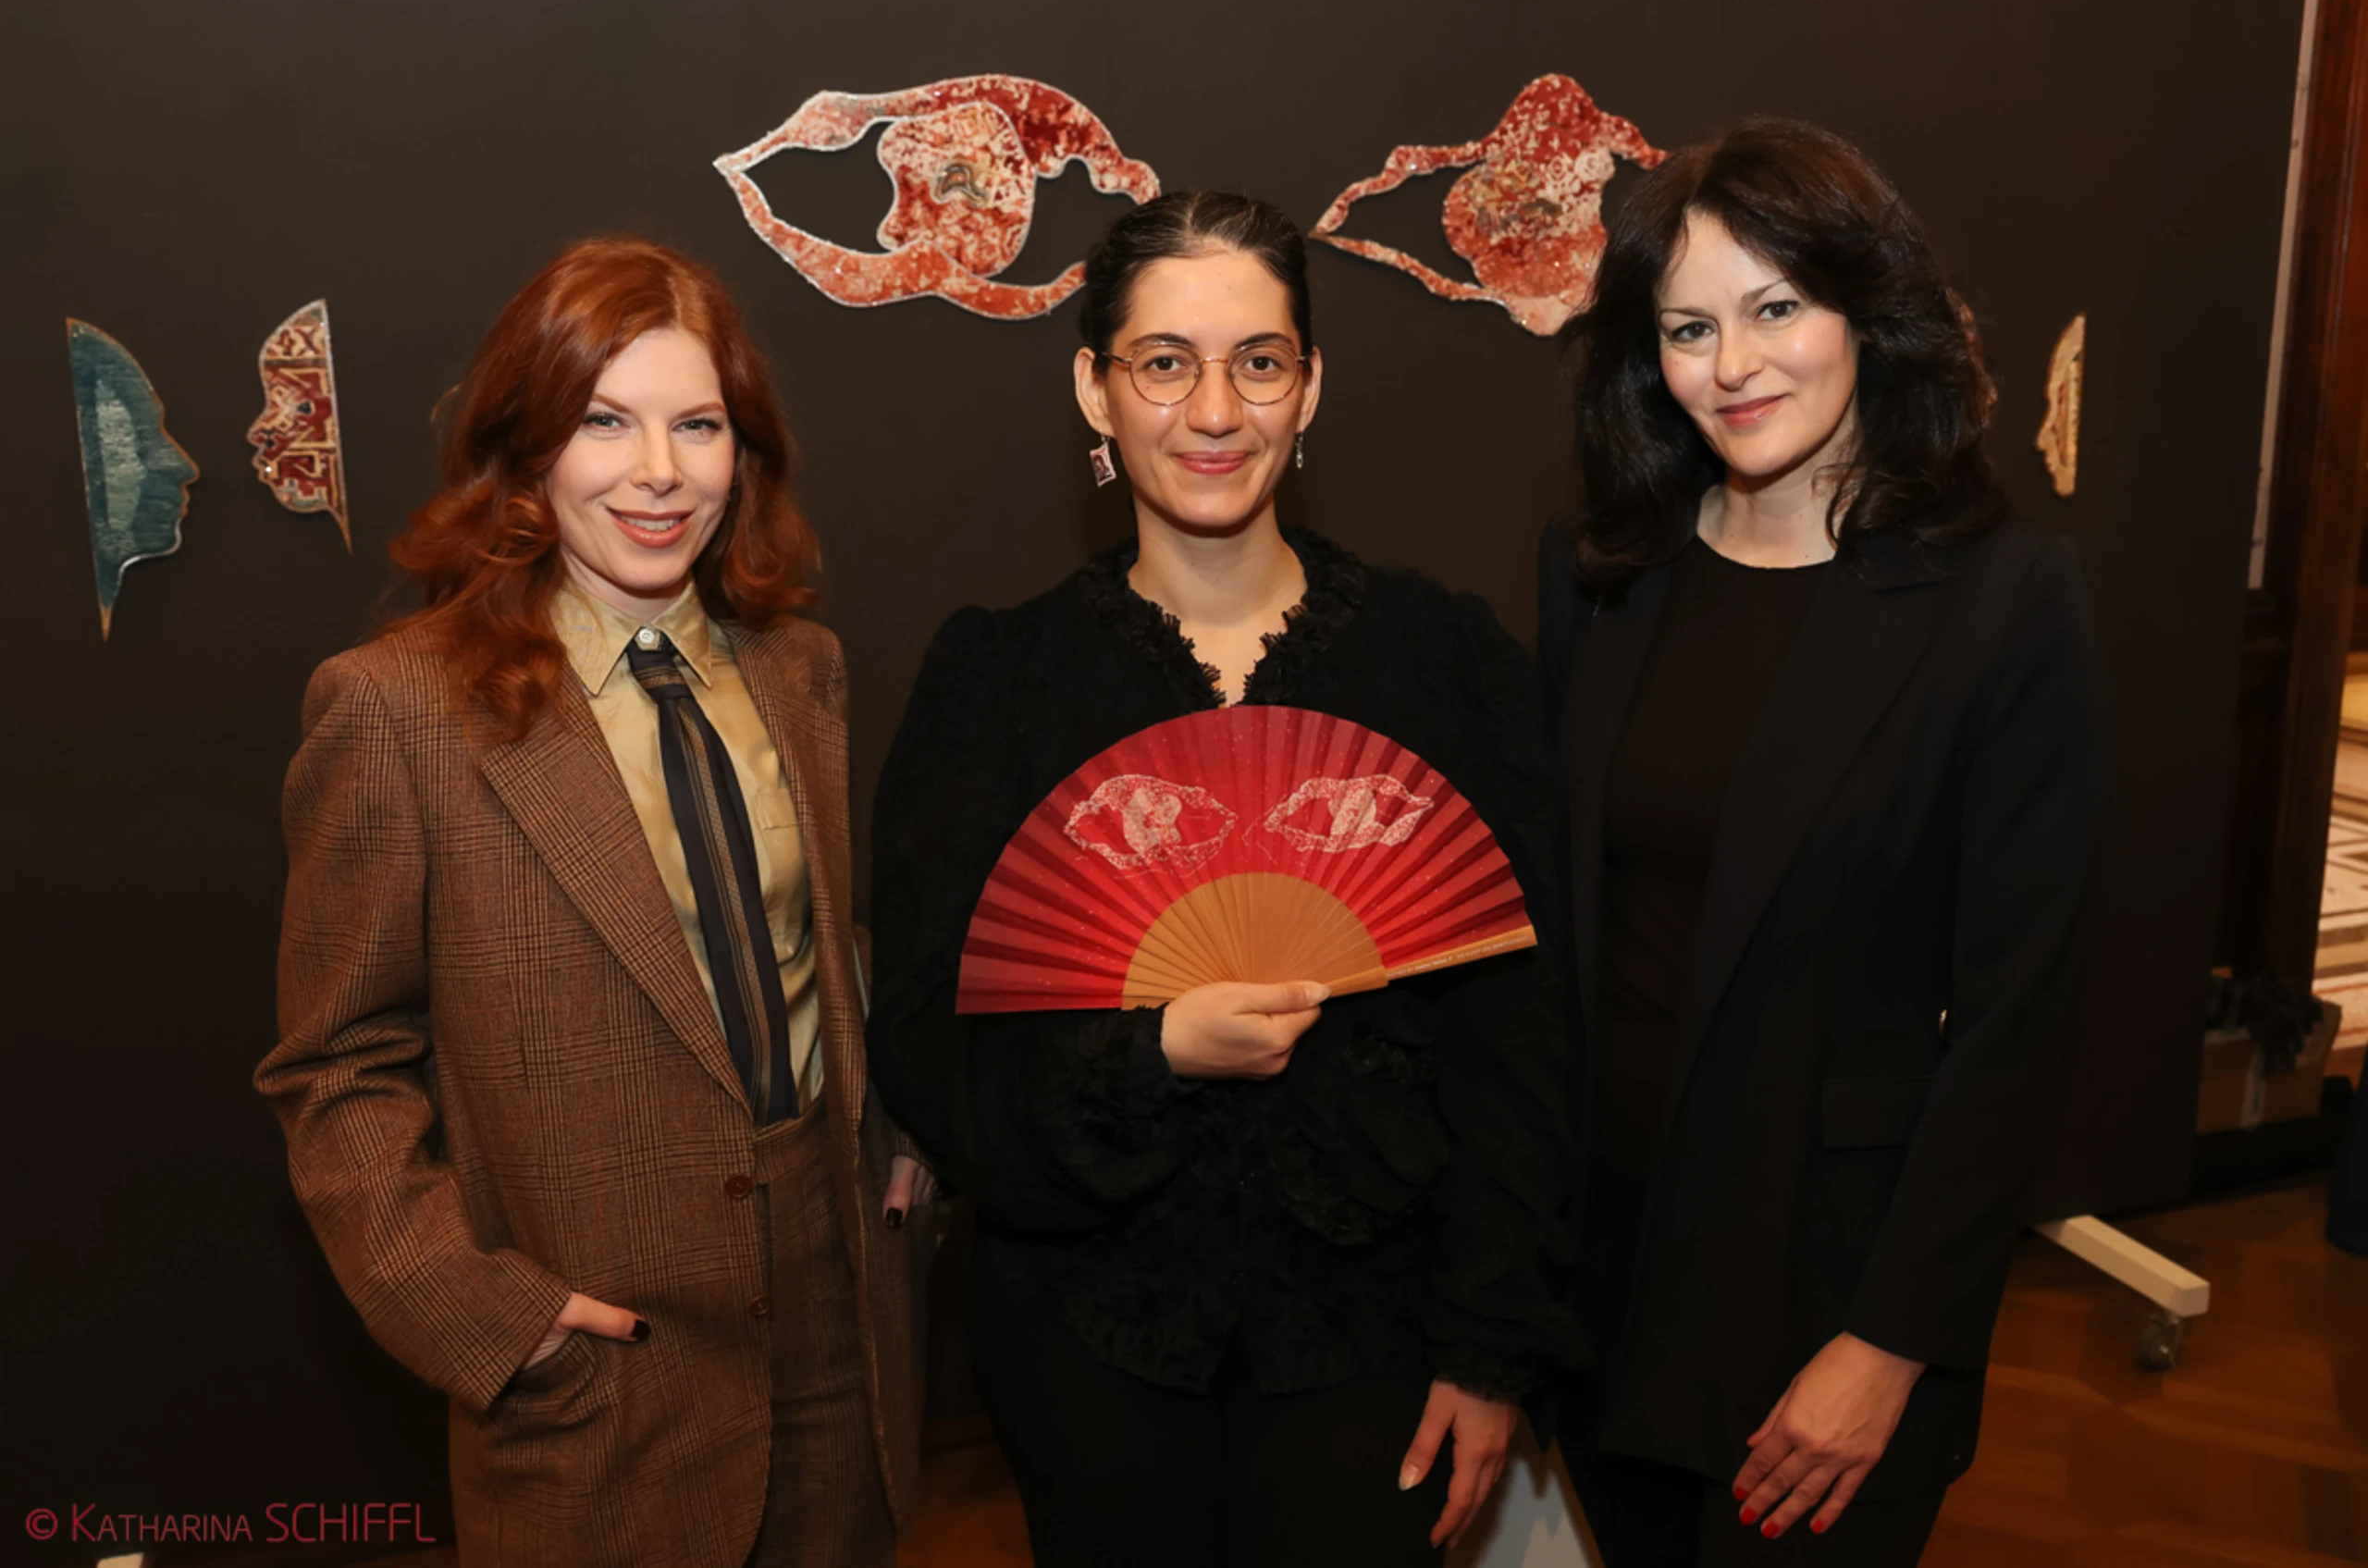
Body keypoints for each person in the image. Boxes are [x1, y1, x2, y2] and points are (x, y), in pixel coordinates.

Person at [866, 191, 1586, 1568]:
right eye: (1164, 363)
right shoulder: (997, 683)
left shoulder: (1442, 662)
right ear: (1094, 388)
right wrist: (1150, 1053)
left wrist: (1491, 1346)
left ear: (1310, 389)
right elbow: (926, 1041)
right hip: (1088, 1336)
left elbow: (1523, 1041)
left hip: (1379, 1338)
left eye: (1259, 362)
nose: (1214, 410)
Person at [256, 236, 933, 1568]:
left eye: (699, 425)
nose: (660, 471)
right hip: (602, 1371)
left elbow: (815, 945)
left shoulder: (800, 668)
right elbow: (335, 1069)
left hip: (842, 1325)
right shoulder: (397, 709)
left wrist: (907, 1138)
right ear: (526, 448)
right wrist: (488, 1320)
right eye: (604, 422)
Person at [1539, 118, 2109, 1564]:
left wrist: (1893, 1339)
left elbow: (2017, 1024)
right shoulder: (1602, 577)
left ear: (1868, 310)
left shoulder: (2002, 601)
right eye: (1688, 328)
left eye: (1776, 307)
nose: (1732, 366)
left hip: (1823, 1290)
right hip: (1606, 1268)